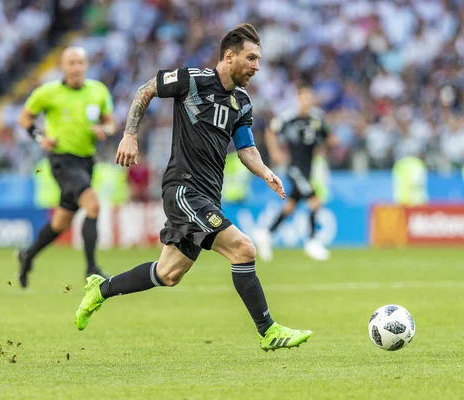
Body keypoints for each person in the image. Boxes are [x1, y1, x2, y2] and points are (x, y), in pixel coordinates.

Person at [74, 24, 312, 352]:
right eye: (252, 58)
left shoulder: (241, 102)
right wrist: (129, 134)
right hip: (183, 191)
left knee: (168, 273)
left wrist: (265, 172)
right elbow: (146, 90)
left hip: (207, 195)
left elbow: (245, 149)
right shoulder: (193, 80)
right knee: (244, 249)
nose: (257, 66)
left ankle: (101, 289)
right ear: (229, 56)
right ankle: (268, 330)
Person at [16, 46, 115, 288]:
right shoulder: (48, 93)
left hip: (86, 161)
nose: (76, 67)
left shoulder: (98, 91)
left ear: (86, 65)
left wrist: (106, 130)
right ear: (63, 66)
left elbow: (110, 122)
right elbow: (25, 118)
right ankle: (92, 269)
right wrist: (40, 137)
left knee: (61, 222)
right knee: (93, 205)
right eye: (71, 62)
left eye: (80, 62)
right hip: (61, 160)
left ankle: (27, 254)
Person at [254, 84, 336, 262]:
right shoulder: (288, 118)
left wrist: (328, 144)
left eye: (310, 97)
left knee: (290, 207)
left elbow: (329, 138)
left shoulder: (317, 119)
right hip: (294, 168)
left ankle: (266, 233)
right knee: (315, 201)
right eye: (304, 97)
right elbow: (271, 131)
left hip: (309, 169)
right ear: (298, 99)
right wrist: (275, 152)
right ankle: (312, 241)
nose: (307, 101)